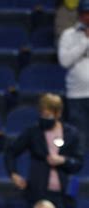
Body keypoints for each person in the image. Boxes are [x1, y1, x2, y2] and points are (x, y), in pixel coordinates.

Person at [4, 93, 84, 208]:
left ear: (58, 113)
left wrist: (63, 160)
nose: (44, 119)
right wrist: (13, 174)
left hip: (63, 196)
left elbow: (78, 162)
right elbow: (11, 152)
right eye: (42, 115)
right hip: (38, 193)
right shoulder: (33, 132)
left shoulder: (72, 134)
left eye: (48, 115)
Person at [57, 0, 89, 152]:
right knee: (79, 143)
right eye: (85, 14)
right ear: (79, 15)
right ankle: (80, 175)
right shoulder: (68, 35)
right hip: (76, 97)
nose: (88, 18)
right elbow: (64, 61)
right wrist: (85, 41)